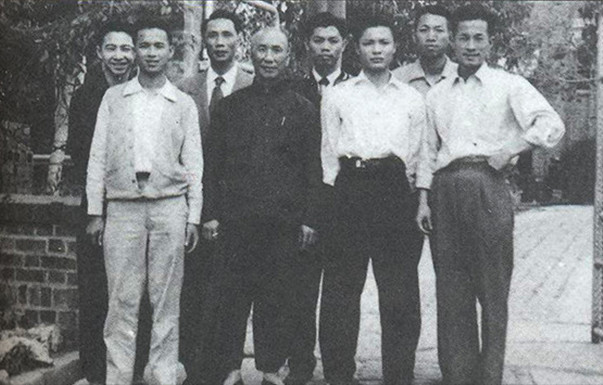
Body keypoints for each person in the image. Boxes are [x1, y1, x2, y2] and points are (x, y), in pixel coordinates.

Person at [417, 5, 565, 385]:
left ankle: (489, 376)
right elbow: (427, 151)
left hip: (487, 184)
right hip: (445, 189)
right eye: (463, 37)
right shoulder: (437, 95)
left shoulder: (508, 85)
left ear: (489, 41)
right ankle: (458, 374)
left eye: (478, 37)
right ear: (452, 39)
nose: (470, 45)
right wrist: (423, 198)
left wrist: (514, 147)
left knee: (492, 286)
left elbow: (551, 124)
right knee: (451, 288)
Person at [86, 18, 203, 385]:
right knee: (121, 302)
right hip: (122, 208)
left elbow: (195, 165)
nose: (151, 53)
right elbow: (97, 158)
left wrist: (193, 216)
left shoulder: (183, 103)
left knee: (166, 302)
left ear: (171, 51)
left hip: (170, 207)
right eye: (144, 45)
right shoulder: (113, 99)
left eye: (158, 46)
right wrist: (95, 211)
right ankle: (118, 379)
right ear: (135, 51)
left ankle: (163, 377)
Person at [203, 27, 322, 385]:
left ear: (288, 56)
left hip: (282, 223)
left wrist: (309, 219)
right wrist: (210, 214)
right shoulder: (230, 108)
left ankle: (270, 368)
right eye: (262, 50)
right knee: (231, 299)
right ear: (249, 53)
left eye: (276, 50)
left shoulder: (303, 110)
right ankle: (231, 369)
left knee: (275, 298)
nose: (269, 57)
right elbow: (213, 167)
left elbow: (312, 169)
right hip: (236, 223)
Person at [319, 15, 428, 385]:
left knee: (399, 291)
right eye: (369, 43)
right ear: (357, 48)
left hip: (395, 192)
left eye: (384, 43)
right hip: (349, 190)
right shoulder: (339, 94)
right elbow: (328, 154)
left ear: (396, 47)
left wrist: (415, 198)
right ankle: (338, 374)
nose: (377, 50)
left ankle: (399, 374)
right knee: (341, 290)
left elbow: (420, 155)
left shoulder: (412, 98)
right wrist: (331, 203)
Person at [67, 21, 149, 385]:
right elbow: (86, 158)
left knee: (137, 289)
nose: (119, 56)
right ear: (99, 52)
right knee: (97, 289)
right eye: (111, 48)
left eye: (126, 49)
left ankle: (134, 369)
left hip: (137, 204)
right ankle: (94, 371)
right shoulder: (86, 97)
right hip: (97, 207)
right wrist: (94, 212)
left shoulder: (141, 92)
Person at [176, 9, 253, 385]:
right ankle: (194, 366)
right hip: (196, 203)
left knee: (234, 289)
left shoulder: (255, 83)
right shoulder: (186, 87)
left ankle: (230, 368)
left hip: (240, 207)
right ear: (204, 41)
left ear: (239, 39)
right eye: (213, 36)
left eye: (227, 35)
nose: (220, 42)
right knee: (195, 287)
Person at [285, 12, 351, 385]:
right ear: (307, 45)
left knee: (340, 292)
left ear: (344, 44)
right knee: (300, 290)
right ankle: (299, 366)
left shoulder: (358, 89)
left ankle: (340, 369)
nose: (325, 48)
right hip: (302, 206)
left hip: (343, 205)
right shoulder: (294, 90)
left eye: (332, 41)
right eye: (318, 41)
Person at [393, 4, 457, 96]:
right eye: (424, 30)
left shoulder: (462, 78)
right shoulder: (397, 79)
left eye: (439, 30)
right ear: (414, 36)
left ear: (450, 37)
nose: (431, 37)